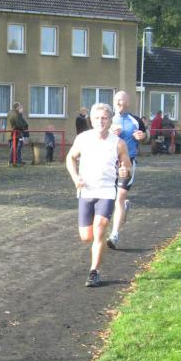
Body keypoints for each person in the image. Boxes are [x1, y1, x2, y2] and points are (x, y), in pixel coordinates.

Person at [65, 103, 132, 287]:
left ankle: (94, 272)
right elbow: (70, 158)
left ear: (110, 120)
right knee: (86, 237)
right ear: (91, 120)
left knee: (100, 228)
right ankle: (123, 210)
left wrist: (124, 171)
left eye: (104, 118)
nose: (100, 121)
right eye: (97, 118)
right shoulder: (83, 138)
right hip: (86, 190)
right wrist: (75, 177)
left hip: (106, 191)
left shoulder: (118, 143)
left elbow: (127, 166)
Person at [107, 90, 146, 249]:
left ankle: (114, 235)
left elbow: (146, 136)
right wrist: (109, 133)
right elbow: (98, 137)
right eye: (116, 100)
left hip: (127, 162)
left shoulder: (136, 120)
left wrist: (143, 137)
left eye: (121, 100)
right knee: (111, 199)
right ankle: (124, 207)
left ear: (127, 102)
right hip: (109, 163)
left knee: (119, 197)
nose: (118, 103)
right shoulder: (107, 119)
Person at [7, 102, 28, 166]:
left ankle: (16, 160)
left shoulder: (11, 113)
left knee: (14, 147)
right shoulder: (16, 114)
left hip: (12, 133)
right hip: (15, 133)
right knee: (15, 147)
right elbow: (19, 124)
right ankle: (14, 161)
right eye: (20, 107)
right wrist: (24, 127)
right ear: (17, 107)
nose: (21, 109)